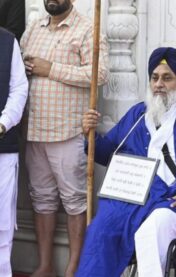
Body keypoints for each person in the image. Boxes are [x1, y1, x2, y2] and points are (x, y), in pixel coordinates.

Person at [76, 47, 176, 277]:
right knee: (101, 229)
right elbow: (107, 153)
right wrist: (89, 135)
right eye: (155, 77)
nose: (159, 84)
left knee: (149, 232)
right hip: (136, 199)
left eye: (167, 78)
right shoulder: (137, 115)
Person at [20, 0, 109, 276]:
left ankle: (73, 267)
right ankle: (45, 265)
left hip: (68, 131)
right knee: (42, 199)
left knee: (75, 201)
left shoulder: (87, 29)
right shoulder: (34, 28)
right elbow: (20, 66)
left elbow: (100, 74)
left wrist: (51, 69)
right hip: (34, 131)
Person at [0, 27, 28, 277]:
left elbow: (19, 88)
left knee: (1, 229)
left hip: (2, 150)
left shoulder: (7, 41)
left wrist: (3, 123)